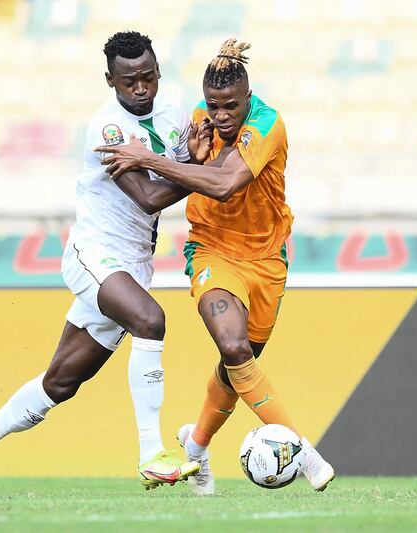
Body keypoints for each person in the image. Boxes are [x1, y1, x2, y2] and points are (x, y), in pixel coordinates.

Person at [0, 31, 204, 495]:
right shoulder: (108, 130)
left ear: (158, 72)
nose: (139, 89)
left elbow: (182, 164)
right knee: (150, 319)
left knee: (60, 383)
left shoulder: (174, 112)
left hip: (134, 264)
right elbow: (147, 197)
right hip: (94, 252)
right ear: (110, 80)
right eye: (128, 81)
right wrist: (197, 175)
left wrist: (193, 163)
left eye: (147, 78)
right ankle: (151, 454)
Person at [96, 38, 336, 496]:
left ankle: (197, 445)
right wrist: (183, 155)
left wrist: (151, 159)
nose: (221, 115)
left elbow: (225, 183)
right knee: (234, 346)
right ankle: (304, 454)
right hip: (211, 251)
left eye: (230, 106)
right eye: (213, 106)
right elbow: (189, 179)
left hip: (265, 259)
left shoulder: (268, 124)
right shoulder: (199, 122)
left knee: (238, 366)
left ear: (249, 98)